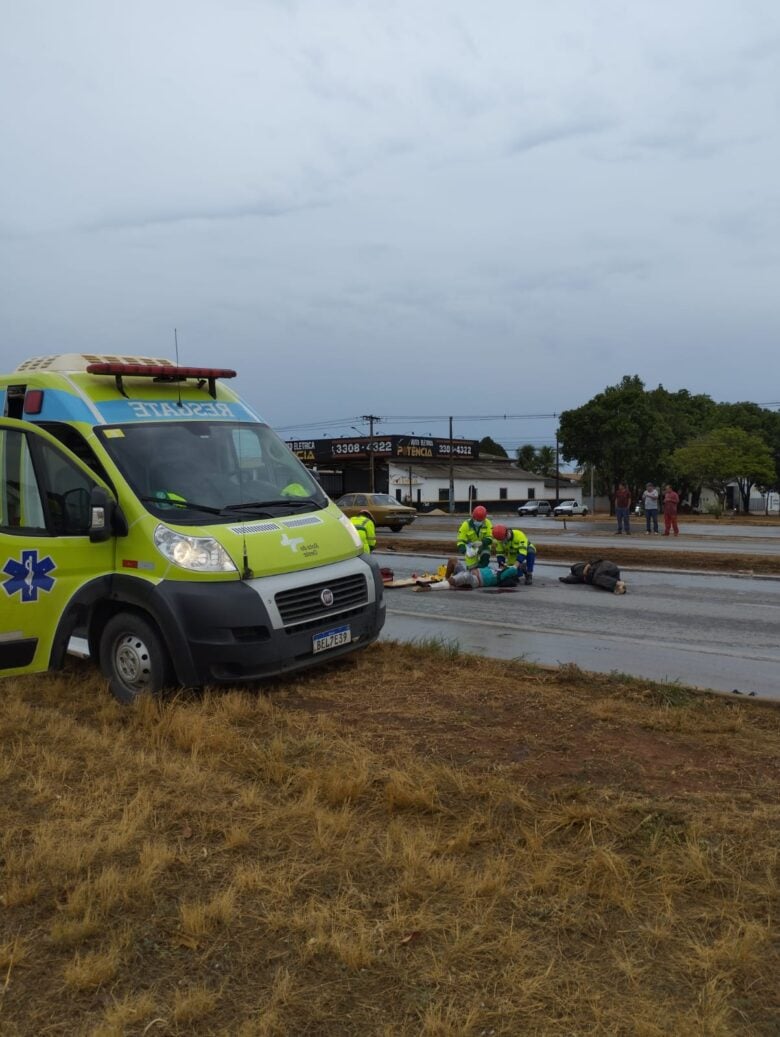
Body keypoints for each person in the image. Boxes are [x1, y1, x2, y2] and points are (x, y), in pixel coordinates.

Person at [416, 562, 520, 591]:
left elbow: (514, 568)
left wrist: (513, 566)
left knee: (464, 575)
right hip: (469, 572)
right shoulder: (494, 569)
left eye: (505, 566)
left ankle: (429, 587)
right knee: (453, 560)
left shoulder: (501, 575)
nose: (504, 564)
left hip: (474, 580)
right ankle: (445, 580)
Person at [455, 505, 493, 571]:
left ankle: (482, 571)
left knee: (485, 558)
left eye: (481, 520)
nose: (479, 522)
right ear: (473, 517)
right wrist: (465, 551)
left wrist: (482, 542)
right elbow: (460, 540)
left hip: (483, 546)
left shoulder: (488, 523)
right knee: (472, 571)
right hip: (470, 550)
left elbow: (490, 538)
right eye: (477, 520)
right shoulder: (466, 525)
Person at [559, 560, 626, 594]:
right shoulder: (582, 575)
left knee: (597, 578)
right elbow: (573, 579)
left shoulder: (580, 569)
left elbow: (572, 579)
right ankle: (619, 588)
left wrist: (563, 579)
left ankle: (618, 583)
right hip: (611, 571)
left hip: (605, 566)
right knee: (601, 584)